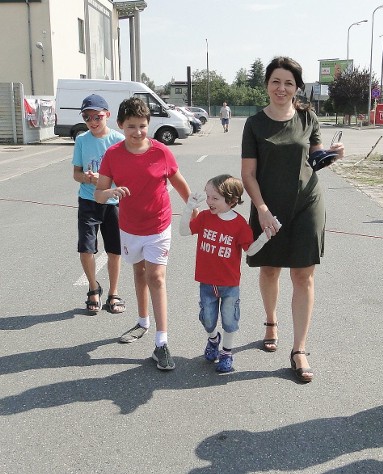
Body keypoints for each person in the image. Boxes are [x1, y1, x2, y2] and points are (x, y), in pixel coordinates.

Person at [240, 56, 344, 383]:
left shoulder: (307, 117)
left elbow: (314, 160)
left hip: (306, 204)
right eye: (276, 81)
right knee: (270, 269)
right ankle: (271, 321)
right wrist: (261, 209)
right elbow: (248, 174)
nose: (282, 88)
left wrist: (331, 154)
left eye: (289, 83)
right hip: (267, 207)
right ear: (267, 85)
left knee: (303, 276)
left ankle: (299, 349)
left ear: (297, 87)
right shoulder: (254, 124)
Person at [94, 97, 193, 371]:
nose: (138, 132)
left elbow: (178, 181)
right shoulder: (112, 155)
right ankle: (142, 321)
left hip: (159, 225)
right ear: (120, 125)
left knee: (156, 277)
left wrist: (194, 208)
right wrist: (110, 192)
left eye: (142, 126)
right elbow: (99, 194)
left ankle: (161, 342)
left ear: (149, 124)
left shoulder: (161, 152)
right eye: (131, 127)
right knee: (138, 273)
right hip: (129, 227)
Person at [179, 174, 277, 373]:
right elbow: (183, 231)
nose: (209, 202)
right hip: (206, 282)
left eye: (215, 198)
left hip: (229, 284)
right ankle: (213, 339)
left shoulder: (240, 224)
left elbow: (249, 250)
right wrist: (189, 207)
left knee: (230, 320)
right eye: (207, 197)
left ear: (232, 200)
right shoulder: (205, 217)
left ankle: (226, 352)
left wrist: (264, 238)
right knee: (207, 319)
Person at [72, 94, 125, 315]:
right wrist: (87, 178)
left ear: (107, 115)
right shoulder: (82, 140)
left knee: (114, 250)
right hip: (88, 201)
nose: (93, 121)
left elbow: (125, 176)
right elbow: (76, 173)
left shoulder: (118, 140)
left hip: (112, 202)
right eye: (87, 117)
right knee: (85, 249)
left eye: (97, 116)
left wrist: (105, 182)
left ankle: (113, 293)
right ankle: (93, 288)